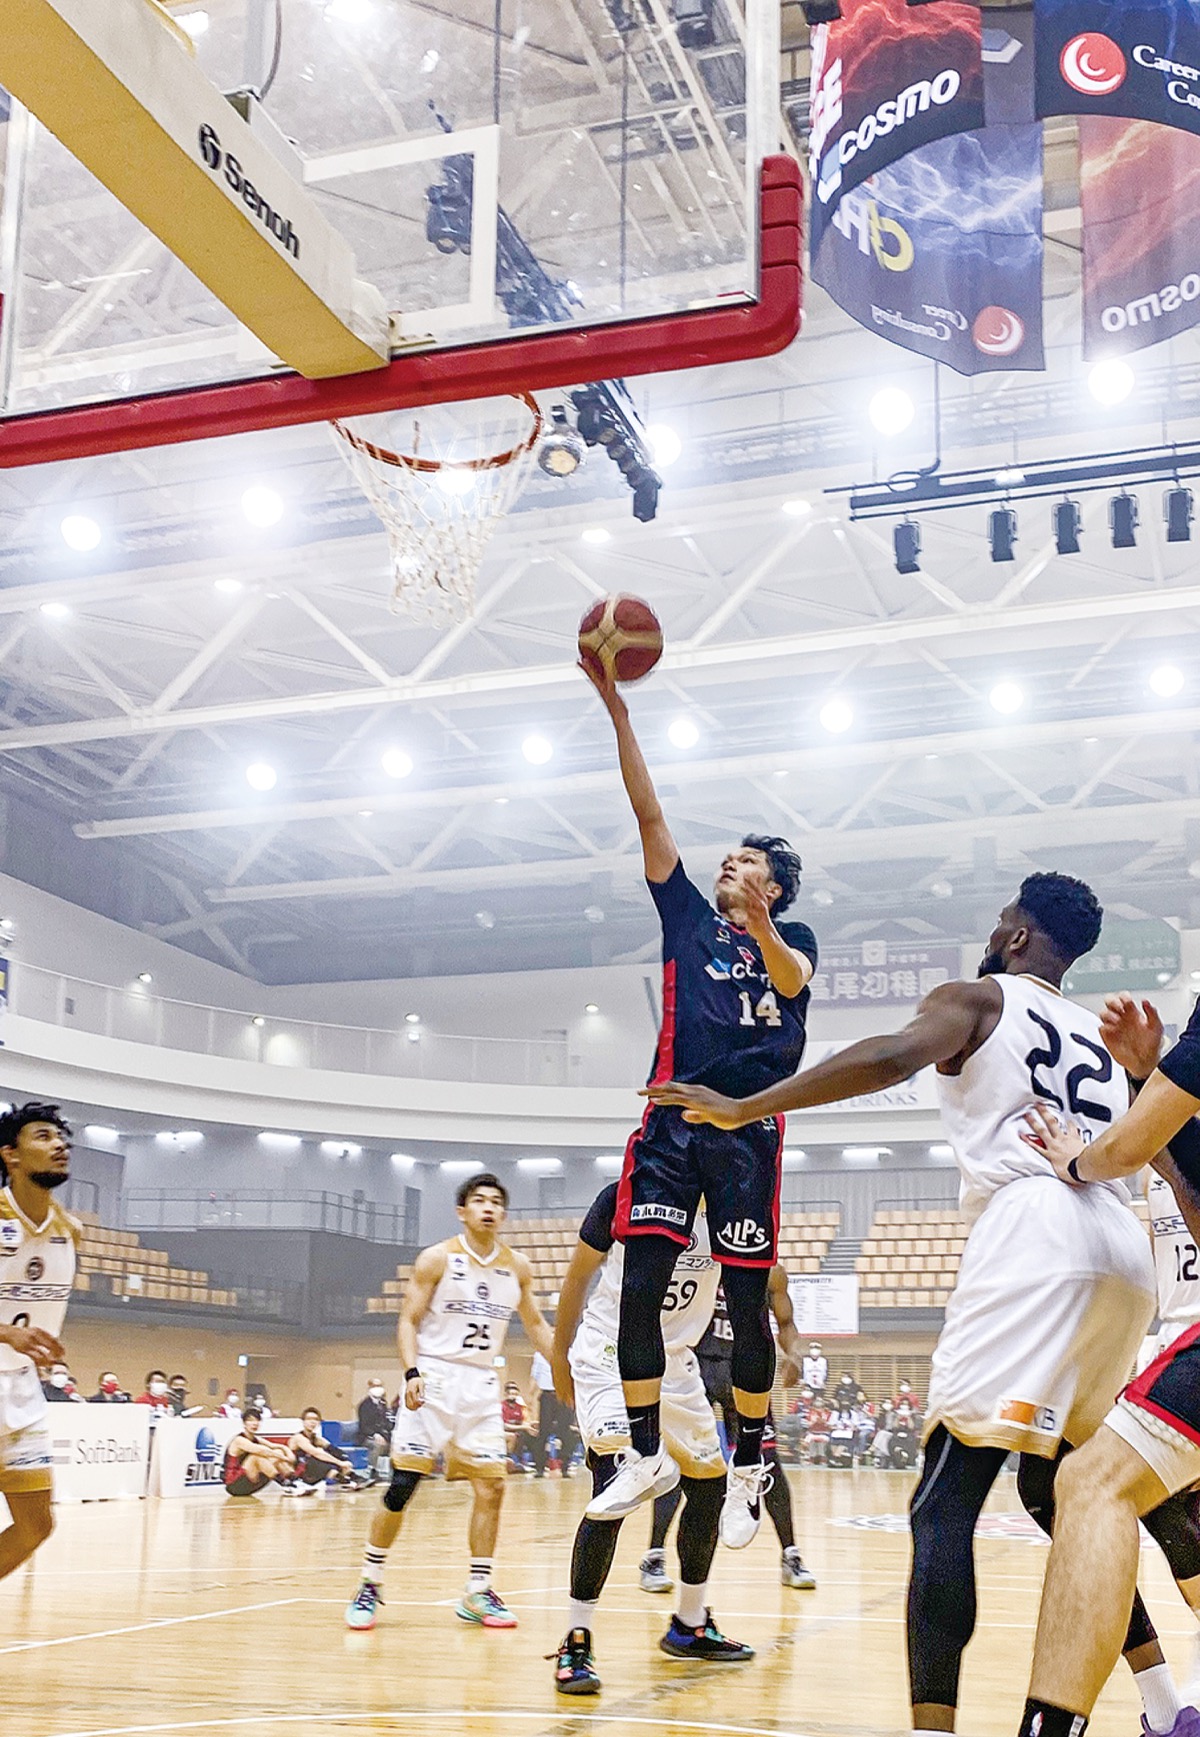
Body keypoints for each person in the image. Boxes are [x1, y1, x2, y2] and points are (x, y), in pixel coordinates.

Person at [647, 873, 1200, 1736]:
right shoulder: (1101, 1036)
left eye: (1000, 920)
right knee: (1067, 1490)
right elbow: (1161, 1146)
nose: (993, 932)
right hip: (1124, 1254)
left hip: (1035, 1232)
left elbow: (891, 1056)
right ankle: (1167, 1706)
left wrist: (747, 1107)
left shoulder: (979, 997)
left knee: (943, 1500)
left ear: (1017, 937)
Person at [581, 655, 818, 1544]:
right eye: (731, 857)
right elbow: (649, 812)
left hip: (747, 1132)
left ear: (775, 884)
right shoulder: (686, 917)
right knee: (640, 1285)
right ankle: (644, 1452)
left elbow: (791, 981)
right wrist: (618, 713)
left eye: (747, 859)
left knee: (745, 1305)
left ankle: (751, 1455)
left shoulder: (793, 937)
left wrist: (762, 920)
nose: (730, 862)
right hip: (672, 1124)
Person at [1012, 991, 1200, 1737]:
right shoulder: (1174, 1139)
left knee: (1091, 1484)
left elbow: (1122, 1149)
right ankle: (1164, 1705)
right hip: (1166, 1337)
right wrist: (1148, 1074)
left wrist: (1078, 1160)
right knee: (1073, 1484)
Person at [549, 1186, 752, 1694]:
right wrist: (558, 1358)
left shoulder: (731, 1209)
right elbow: (577, 1277)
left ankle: (689, 1624)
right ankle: (577, 1639)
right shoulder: (625, 1194)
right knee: (616, 1484)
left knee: (709, 1486)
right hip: (609, 1351)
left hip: (675, 1362)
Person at [345, 1173, 553, 1633]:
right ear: (462, 1211)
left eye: (495, 1202)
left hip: (480, 1383)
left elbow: (536, 1324)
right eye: (479, 1201)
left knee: (492, 1488)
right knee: (403, 1485)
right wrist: (412, 1372)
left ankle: (478, 1590)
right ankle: (369, 1582)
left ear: (503, 1213)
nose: (488, 1208)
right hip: (434, 1377)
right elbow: (407, 1320)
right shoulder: (437, 1258)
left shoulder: (517, 1266)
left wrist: (567, 1363)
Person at [641, 1264, 817, 1592]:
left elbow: (786, 1323)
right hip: (697, 1368)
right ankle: (654, 1556)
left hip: (744, 1370)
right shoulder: (699, 1262)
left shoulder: (769, 1271)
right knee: (678, 1464)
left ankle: (791, 1555)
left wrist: (794, 1355)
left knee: (767, 1463)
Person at [0, 1103, 78, 1580]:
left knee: (36, 1524)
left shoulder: (69, 1229)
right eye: (44, 1136)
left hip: (20, 1388)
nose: (60, 1145)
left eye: (62, 1138)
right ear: (11, 1154)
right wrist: (7, 1332)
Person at [288, 1407, 362, 1493]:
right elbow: (317, 1453)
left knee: (336, 1456)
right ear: (303, 1421)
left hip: (311, 1469)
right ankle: (348, 1480)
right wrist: (340, 1463)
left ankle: (350, 1476)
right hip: (300, 1470)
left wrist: (345, 1459)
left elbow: (333, 1449)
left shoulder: (316, 1439)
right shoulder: (299, 1438)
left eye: (316, 1419)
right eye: (309, 1419)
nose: (312, 1422)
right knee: (320, 1459)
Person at [224, 1407, 294, 1497]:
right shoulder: (239, 1440)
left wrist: (287, 1451)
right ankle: (284, 1483)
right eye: (250, 1420)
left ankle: (294, 1481)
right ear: (244, 1423)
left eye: (257, 1420)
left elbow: (274, 1446)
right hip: (235, 1484)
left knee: (278, 1452)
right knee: (256, 1456)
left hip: (252, 1480)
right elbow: (262, 1451)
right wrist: (284, 1458)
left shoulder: (257, 1439)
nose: (254, 1423)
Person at [530, 1349, 576, 1477]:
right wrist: (531, 1396)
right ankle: (539, 1467)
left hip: (564, 1395)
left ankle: (565, 1467)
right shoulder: (539, 1354)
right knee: (543, 1432)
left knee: (565, 1432)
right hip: (547, 1395)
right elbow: (534, 1376)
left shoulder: (569, 1351)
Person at [357, 1378, 393, 1480]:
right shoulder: (364, 1405)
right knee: (377, 1445)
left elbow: (386, 1422)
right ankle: (372, 1470)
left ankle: (394, 1473)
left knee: (396, 1445)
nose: (378, 1388)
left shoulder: (383, 1403)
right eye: (375, 1386)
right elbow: (364, 1426)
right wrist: (375, 1435)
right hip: (367, 1437)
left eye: (379, 1385)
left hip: (383, 1435)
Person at [501, 1381, 532, 1470]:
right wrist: (523, 1427)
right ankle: (513, 1459)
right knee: (513, 1436)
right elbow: (505, 1425)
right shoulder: (502, 1406)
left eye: (515, 1394)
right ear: (506, 1394)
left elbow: (522, 1421)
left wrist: (530, 1425)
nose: (513, 1396)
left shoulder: (519, 1407)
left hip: (518, 1430)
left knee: (529, 1434)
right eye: (511, 1394)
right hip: (504, 1430)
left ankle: (527, 1461)